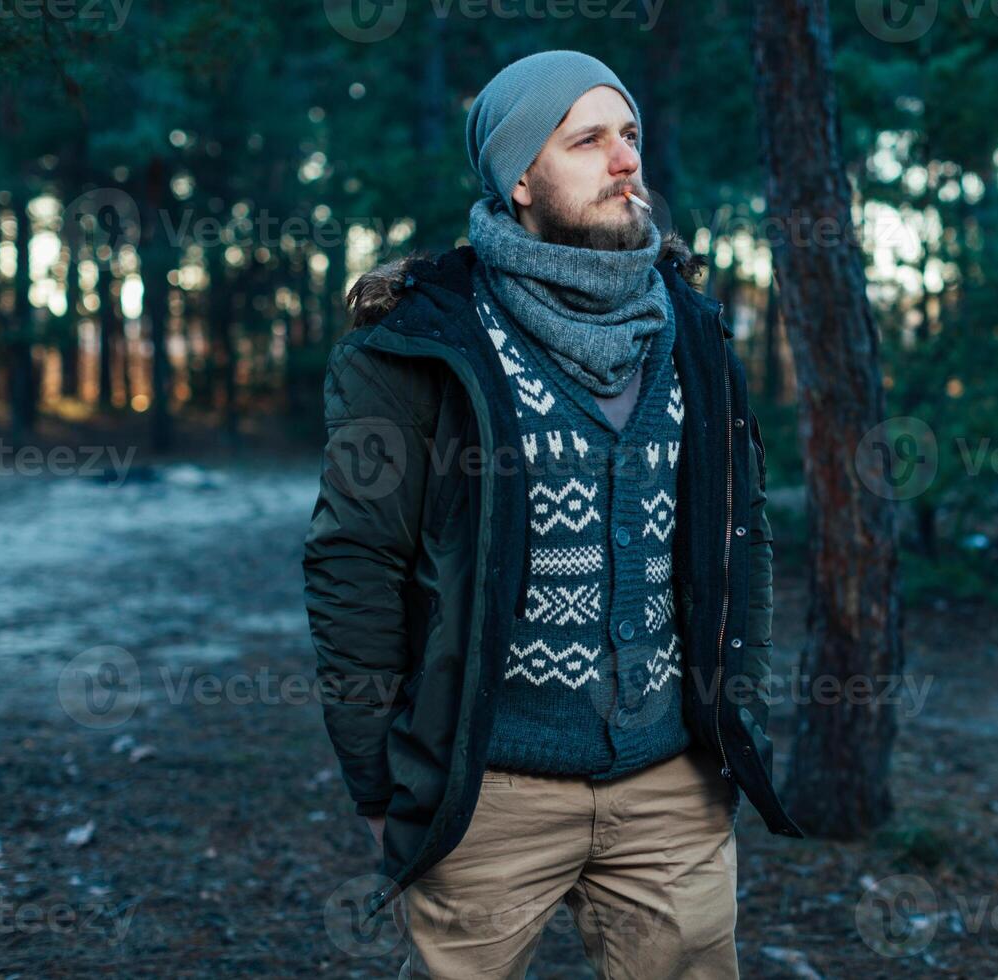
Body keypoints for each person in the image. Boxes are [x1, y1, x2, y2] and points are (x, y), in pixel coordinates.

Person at [303, 49, 803, 979]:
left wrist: (739, 714)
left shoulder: (692, 329)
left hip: (672, 787)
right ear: (520, 177)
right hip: (487, 790)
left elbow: (745, 541)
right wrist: (378, 779)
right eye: (588, 141)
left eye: (631, 135)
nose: (625, 161)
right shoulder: (420, 343)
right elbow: (355, 564)